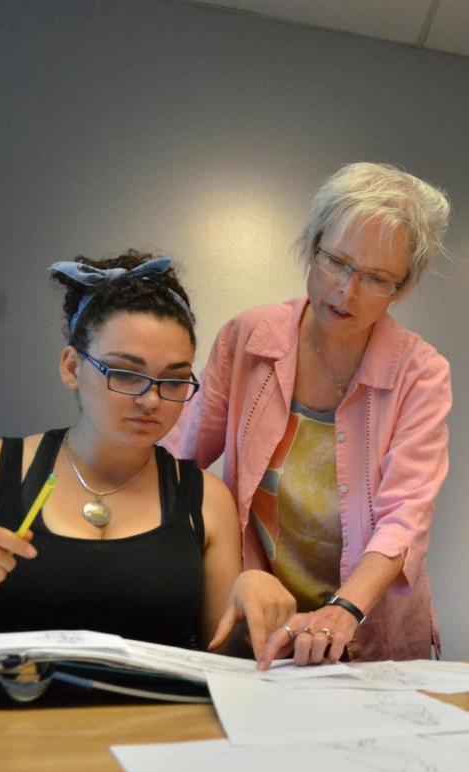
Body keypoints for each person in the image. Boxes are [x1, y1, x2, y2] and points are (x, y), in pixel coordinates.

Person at [0, 251, 294, 655]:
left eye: (174, 380)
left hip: (156, 699)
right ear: (72, 368)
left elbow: (222, 657)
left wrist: (253, 602)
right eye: (125, 373)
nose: (151, 400)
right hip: (4, 697)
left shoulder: (205, 499)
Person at [166, 163, 452, 668]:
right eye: (336, 262)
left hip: (369, 630)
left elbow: (405, 516)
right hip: (259, 623)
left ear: (402, 288)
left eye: (376, 278)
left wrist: (344, 609)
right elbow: (177, 462)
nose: (346, 290)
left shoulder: (420, 373)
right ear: (314, 245)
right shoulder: (249, 338)